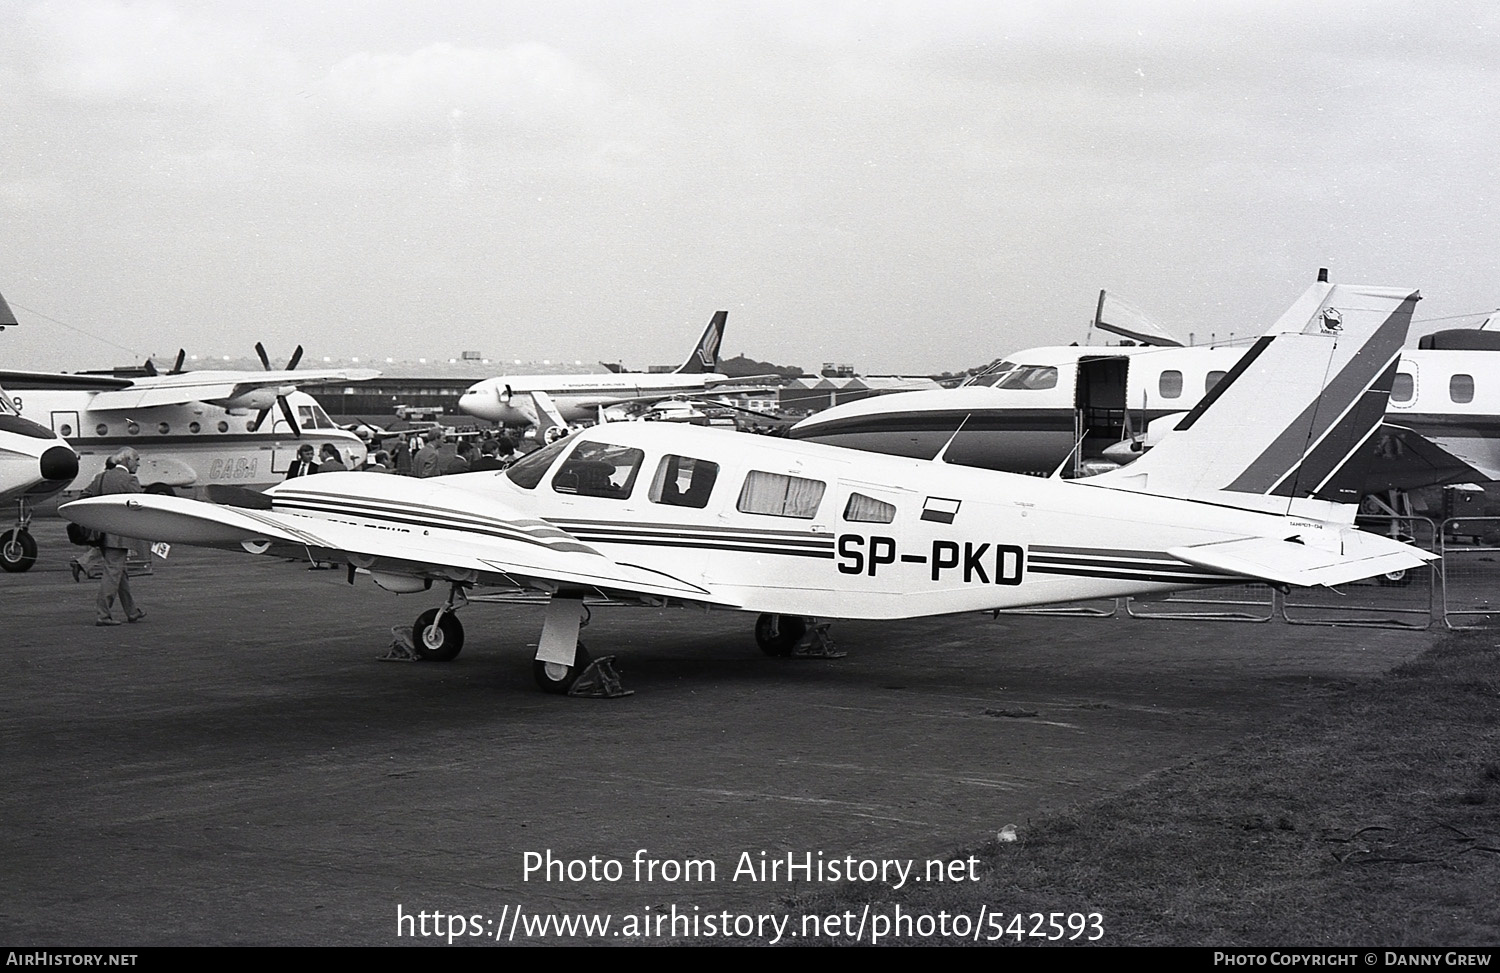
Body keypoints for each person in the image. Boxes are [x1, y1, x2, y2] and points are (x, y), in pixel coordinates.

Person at [88, 447, 146, 626]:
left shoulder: (101, 478)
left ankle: (132, 611)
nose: (138, 463)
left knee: (120, 574)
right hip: (120, 535)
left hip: (102, 533)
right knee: (113, 574)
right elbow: (141, 505)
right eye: (136, 459)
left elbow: (85, 496)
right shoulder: (130, 480)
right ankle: (103, 615)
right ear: (127, 461)